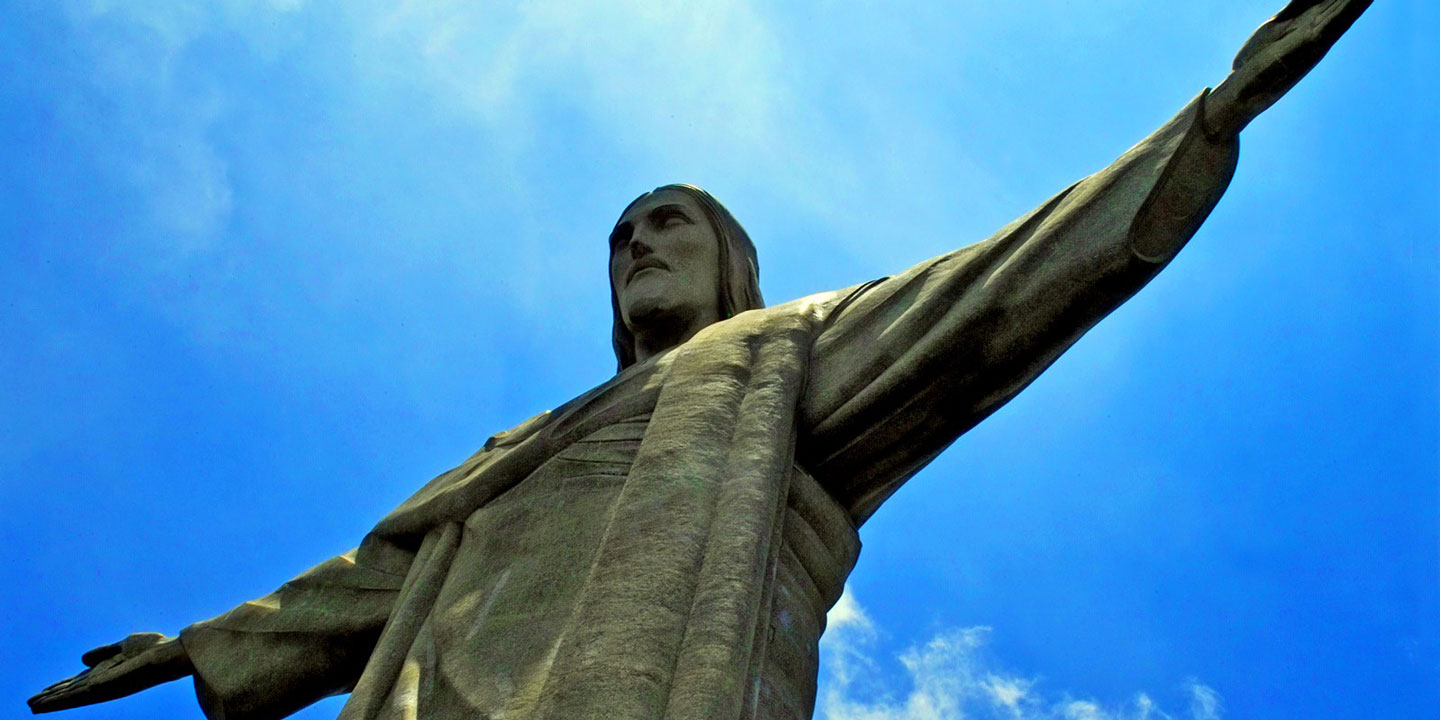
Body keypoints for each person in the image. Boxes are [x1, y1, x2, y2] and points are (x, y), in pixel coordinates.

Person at [28, 2, 1372, 719]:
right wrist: (195, 647)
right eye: (621, 236)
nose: (637, 245)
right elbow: (367, 584)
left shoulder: (782, 358)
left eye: (669, 223)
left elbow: (998, 292)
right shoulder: (514, 455)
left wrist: (1209, 120)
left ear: (732, 262)